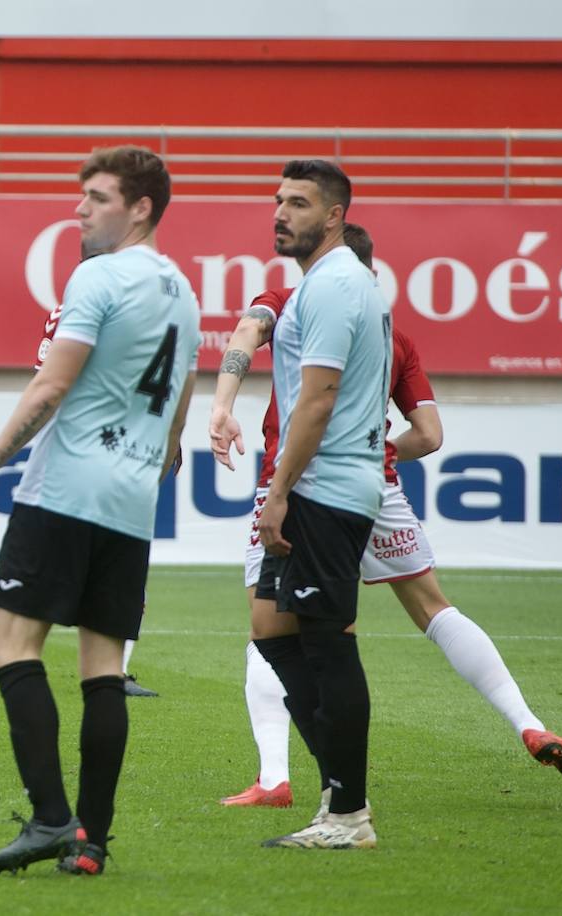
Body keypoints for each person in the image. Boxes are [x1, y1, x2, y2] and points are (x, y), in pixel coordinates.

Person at [210, 224, 562, 810]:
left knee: (270, 634)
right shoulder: (396, 338)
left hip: (301, 489)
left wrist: (222, 404)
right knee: (435, 609)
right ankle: (527, 721)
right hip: (375, 490)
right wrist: (378, 450)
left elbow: (245, 332)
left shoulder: (290, 304)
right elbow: (430, 435)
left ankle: (275, 778)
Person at [0, 146, 199, 876]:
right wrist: (153, 467)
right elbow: (179, 407)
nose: (80, 209)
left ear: (141, 208)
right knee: (103, 668)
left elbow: (50, 387)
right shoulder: (185, 293)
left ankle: (49, 819)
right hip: (130, 501)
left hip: (66, 491)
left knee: (8, 647)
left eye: (97, 197)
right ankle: (92, 841)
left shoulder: (99, 275)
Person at [209, 160, 389, 849]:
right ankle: (340, 796)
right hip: (322, 485)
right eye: (279, 200)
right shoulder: (323, 284)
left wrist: (279, 491)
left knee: (327, 644)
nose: (282, 212)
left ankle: (347, 814)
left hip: (327, 488)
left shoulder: (339, 284)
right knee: (274, 631)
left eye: (300, 202)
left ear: (336, 214)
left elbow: (318, 397)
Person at [0, 300, 158, 698]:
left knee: (121, 571)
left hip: (124, 458)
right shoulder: (74, 309)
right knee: (56, 574)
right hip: (76, 463)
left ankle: (116, 672)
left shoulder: (149, 308)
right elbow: (50, 387)